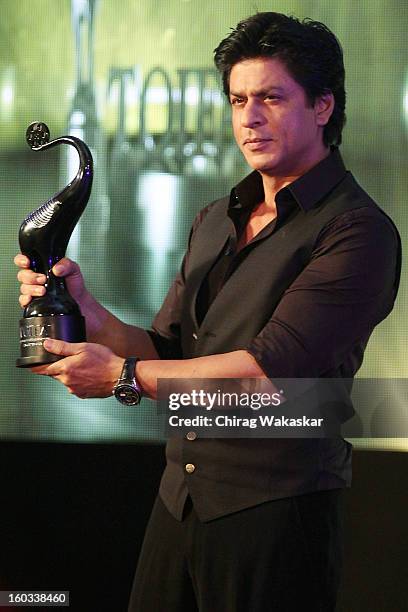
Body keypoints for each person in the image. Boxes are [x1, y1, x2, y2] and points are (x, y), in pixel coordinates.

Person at [15, 12, 401, 612]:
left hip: (275, 514)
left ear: (323, 106)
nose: (249, 117)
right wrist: (88, 311)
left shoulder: (357, 232)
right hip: (181, 498)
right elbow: (168, 350)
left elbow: (267, 379)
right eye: (238, 99)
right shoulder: (216, 216)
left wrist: (120, 378)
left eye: (271, 98)